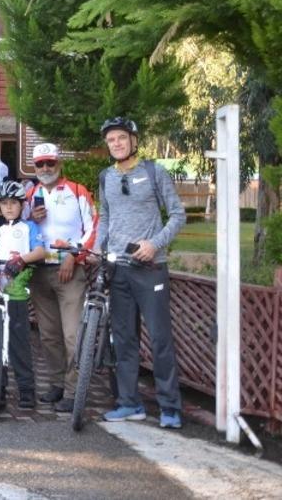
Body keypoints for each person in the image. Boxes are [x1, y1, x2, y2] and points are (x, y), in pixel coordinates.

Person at [96, 117, 186, 428]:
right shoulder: (106, 176)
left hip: (151, 268)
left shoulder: (153, 171)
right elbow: (105, 218)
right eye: (111, 140)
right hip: (119, 268)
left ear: (134, 140)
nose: (116, 143)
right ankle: (129, 403)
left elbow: (177, 214)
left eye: (121, 138)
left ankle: (170, 407)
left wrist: (154, 243)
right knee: (124, 340)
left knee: (160, 338)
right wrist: (98, 248)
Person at [25, 142, 98, 411]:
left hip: (69, 271)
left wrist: (74, 255)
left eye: (50, 163)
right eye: (40, 164)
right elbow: (20, 230)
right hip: (40, 272)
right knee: (49, 335)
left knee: (72, 334)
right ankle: (57, 383)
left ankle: (73, 389)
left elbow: (93, 227)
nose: (45, 168)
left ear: (59, 164)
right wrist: (31, 217)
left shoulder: (77, 191)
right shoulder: (30, 193)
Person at [0, 181, 48, 410]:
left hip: (17, 293)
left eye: (13, 204)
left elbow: (40, 251)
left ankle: (26, 391)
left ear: (22, 205)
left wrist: (22, 260)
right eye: (4, 204)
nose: (8, 208)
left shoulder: (29, 228)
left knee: (19, 345)